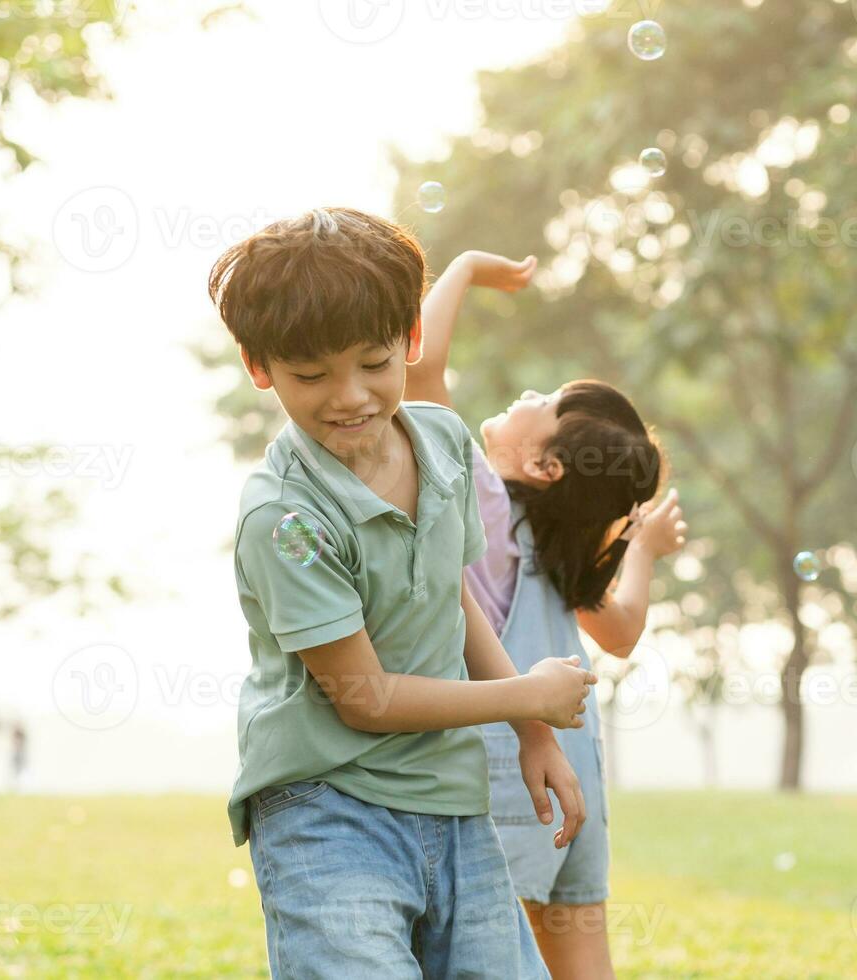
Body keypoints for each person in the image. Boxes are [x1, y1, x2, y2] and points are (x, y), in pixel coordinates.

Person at [212, 207, 597, 979]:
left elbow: (448, 598)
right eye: (311, 375)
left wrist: (535, 733)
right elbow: (365, 698)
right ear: (261, 367)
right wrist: (527, 695)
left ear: (410, 341)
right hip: (326, 813)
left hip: (450, 801)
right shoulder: (284, 518)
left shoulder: (444, 443)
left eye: (374, 363)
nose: (349, 397)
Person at [407, 248, 688, 980]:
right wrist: (644, 549)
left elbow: (419, 370)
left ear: (545, 468)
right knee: (582, 960)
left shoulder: (486, 505)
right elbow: (621, 633)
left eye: (548, 401)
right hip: (581, 772)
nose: (529, 392)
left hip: (519, 780)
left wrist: (464, 266)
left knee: (495, 960)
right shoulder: (564, 555)